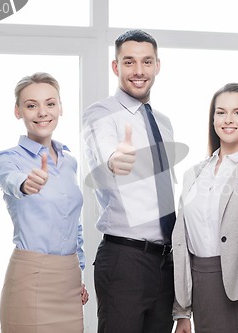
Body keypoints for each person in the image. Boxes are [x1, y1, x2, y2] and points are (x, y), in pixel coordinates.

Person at [82, 29, 176, 333]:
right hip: (125, 259)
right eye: (129, 62)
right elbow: (106, 149)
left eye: (147, 62)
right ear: (116, 67)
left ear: (157, 66)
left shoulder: (163, 122)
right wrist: (115, 158)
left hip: (165, 262)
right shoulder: (101, 114)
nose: (139, 71)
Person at [173, 83, 238, 333]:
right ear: (213, 119)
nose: (228, 119)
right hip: (203, 285)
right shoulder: (194, 174)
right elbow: (181, 242)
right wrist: (182, 310)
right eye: (221, 112)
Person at [0, 72, 89, 333]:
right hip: (30, 279)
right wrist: (26, 184)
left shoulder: (69, 161)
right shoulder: (7, 159)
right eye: (31, 105)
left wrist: (78, 271)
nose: (42, 112)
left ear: (60, 107)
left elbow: (72, 223)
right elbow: (9, 180)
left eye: (50, 103)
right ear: (18, 111)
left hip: (69, 280)